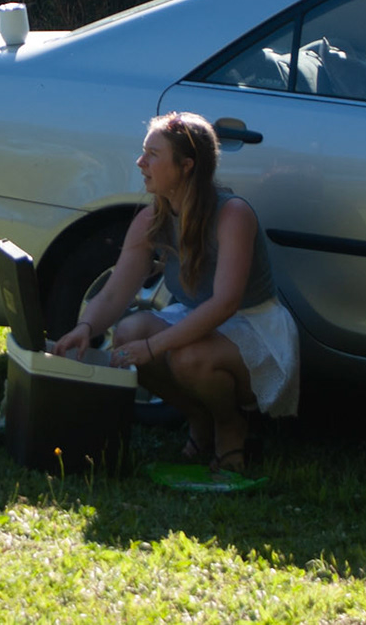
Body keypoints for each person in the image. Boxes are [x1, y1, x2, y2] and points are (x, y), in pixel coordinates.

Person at [53, 111, 300, 474]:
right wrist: (85, 328)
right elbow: (115, 293)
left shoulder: (232, 214)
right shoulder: (151, 218)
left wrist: (154, 347)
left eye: (153, 154)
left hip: (252, 328)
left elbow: (226, 303)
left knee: (188, 357)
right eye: (144, 152)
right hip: (197, 320)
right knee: (128, 333)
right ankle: (199, 418)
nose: (140, 162)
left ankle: (231, 426)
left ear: (186, 166)